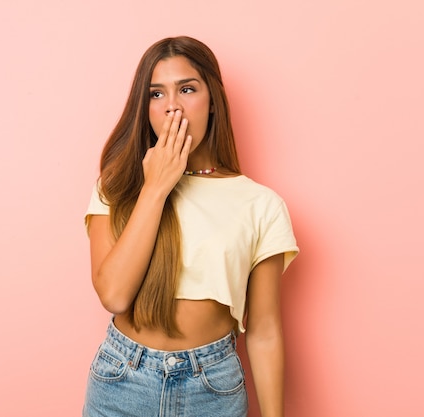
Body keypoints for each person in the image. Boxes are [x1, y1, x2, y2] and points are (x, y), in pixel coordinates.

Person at [82, 36, 299, 417]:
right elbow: (114, 295)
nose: (172, 107)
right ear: (144, 107)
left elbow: (264, 332)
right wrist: (156, 187)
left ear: (212, 100)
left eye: (187, 89)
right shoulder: (116, 187)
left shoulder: (260, 205)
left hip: (212, 388)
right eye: (156, 94)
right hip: (121, 381)